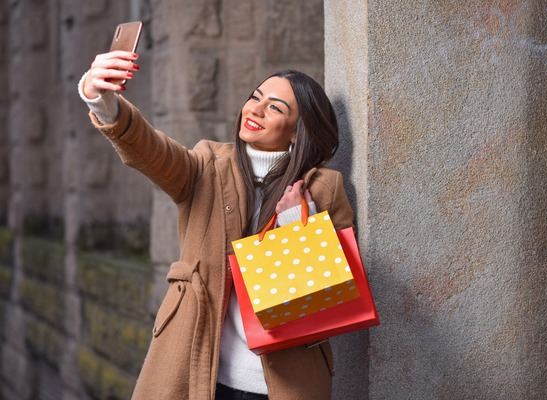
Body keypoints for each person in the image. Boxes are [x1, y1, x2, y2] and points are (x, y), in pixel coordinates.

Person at [78, 49, 354, 400]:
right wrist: (102, 99)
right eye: (255, 97)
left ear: (298, 132)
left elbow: (332, 299)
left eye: (274, 107)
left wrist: (294, 221)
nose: (254, 109)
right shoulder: (207, 164)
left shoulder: (324, 188)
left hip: (282, 382)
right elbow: (150, 149)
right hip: (196, 371)